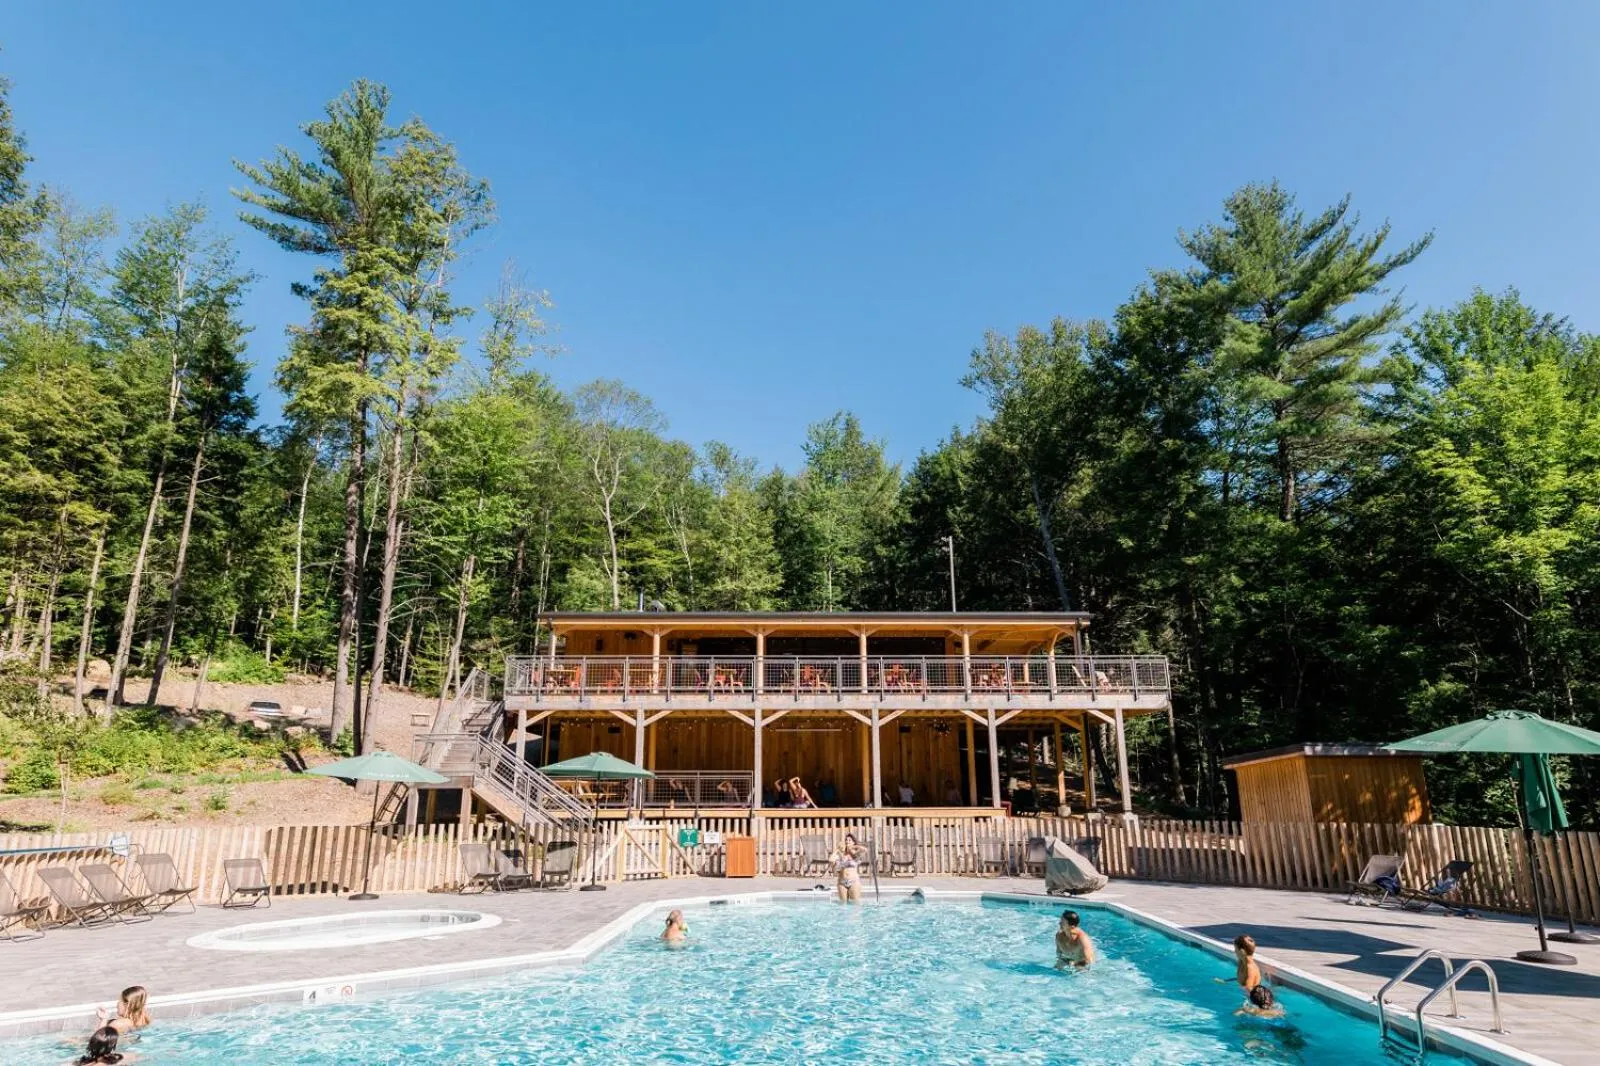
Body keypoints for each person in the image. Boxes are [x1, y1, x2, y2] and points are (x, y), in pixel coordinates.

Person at [833, 832, 868, 903]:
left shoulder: (856, 854)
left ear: (853, 842)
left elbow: (864, 849)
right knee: (842, 905)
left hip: (853, 881)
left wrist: (853, 847)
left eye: (849, 840)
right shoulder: (841, 853)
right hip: (841, 882)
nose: (847, 841)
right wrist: (837, 850)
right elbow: (831, 860)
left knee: (855, 905)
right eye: (846, 840)